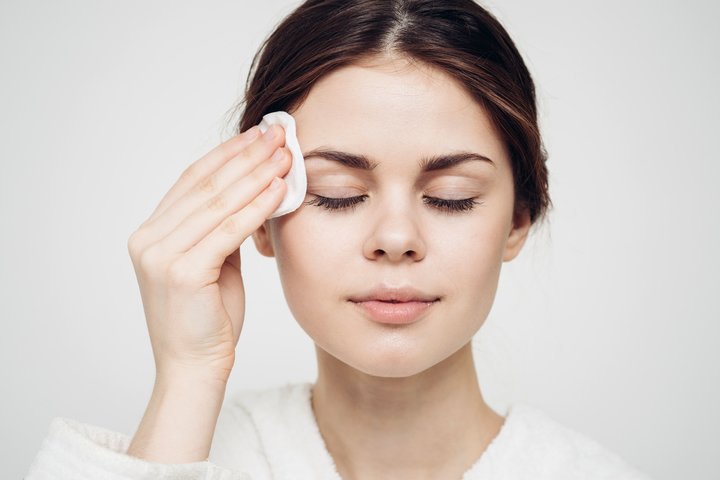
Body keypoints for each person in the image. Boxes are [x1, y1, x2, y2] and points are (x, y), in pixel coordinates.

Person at [25, 1, 652, 478]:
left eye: (451, 196)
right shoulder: (189, 454)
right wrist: (188, 374)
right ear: (262, 214)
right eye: (336, 192)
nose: (396, 238)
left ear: (518, 220)